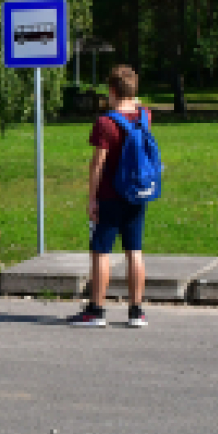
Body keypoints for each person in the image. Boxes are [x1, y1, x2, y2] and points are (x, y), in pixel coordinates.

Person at [69, 64, 149, 328]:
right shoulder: (145, 116)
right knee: (134, 250)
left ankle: (96, 310)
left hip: (110, 195)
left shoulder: (105, 123)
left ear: (112, 90)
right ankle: (136, 312)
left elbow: (97, 164)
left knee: (101, 252)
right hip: (136, 193)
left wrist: (92, 199)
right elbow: (137, 104)